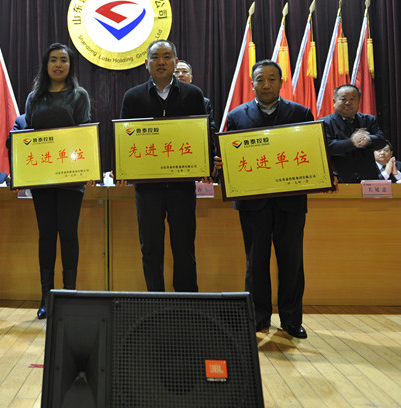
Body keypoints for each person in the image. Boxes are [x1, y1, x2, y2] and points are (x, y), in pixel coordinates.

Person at [224, 60, 315, 339]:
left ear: (281, 82)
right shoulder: (236, 116)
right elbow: (229, 157)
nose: (266, 84)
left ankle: (291, 320)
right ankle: (257, 317)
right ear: (251, 83)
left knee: (292, 262)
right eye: (260, 79)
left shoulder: (301, 113)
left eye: (272, 79)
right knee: (256, 263)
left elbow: (312, 151)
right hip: (253, 203)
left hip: (291, 201)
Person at [119, 40, 209, 292]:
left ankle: (187, 303)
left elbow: (201, 135)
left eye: (167, 56)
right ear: (146, 63)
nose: (161, 62)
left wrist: (205, 164)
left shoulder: (193, 95)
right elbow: (125, 140)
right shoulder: (133, 97)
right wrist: (123, 167)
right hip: (148, 190)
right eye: (155, 57)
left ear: (175, 62)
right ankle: (155, 303)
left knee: (184, 249)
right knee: (150, 249)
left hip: (182, 187)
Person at [23, 43, 91, 319]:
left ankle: (69, 293)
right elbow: (28, 134)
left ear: (70, 65)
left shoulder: (79, 95)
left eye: (64, 60)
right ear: (46, 64)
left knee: (69, 234)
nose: (58, 64)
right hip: (42, 177)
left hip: (71, 178)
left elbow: (84, 133)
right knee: (46, 235)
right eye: (53, 60)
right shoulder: (34, 97)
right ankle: (46, 296)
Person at [321, 84, 387, 182]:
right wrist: (351, 142)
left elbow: (381, 141)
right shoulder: (324, 123)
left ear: (359, 101)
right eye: (343, 99)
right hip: (339, 181)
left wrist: (367, 139)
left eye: (352, 99)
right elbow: (326, 148)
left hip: (368, 180)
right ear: (334, 101)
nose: (348, 103)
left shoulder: (369, 120)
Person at [174, 59, 215, 126]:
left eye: (184, 71)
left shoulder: (204, 102)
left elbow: (210, 128)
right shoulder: (165, 100)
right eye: (176, 71)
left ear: (191, 78)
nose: (180, 75)